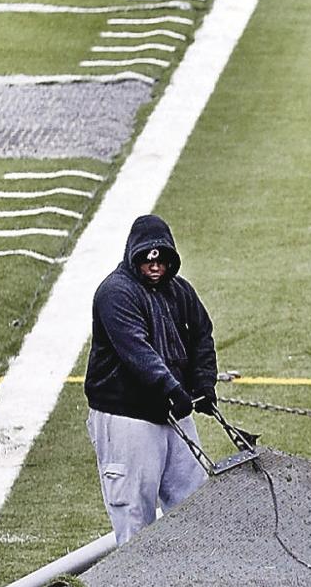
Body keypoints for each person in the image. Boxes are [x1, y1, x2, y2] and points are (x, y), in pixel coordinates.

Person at [84, 213, 219, 545]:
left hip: (172, 410)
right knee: (134, 515)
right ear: (134, 259)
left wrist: (204, 382)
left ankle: (190, 571)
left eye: (161, 261)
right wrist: (173, 389)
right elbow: (137, 351)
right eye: (146, 261)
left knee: (195, 502)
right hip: (128, 418)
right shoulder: (115, 293)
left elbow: (202, 335)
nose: (155, 267)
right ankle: (134, 579)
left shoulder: (180, 291)